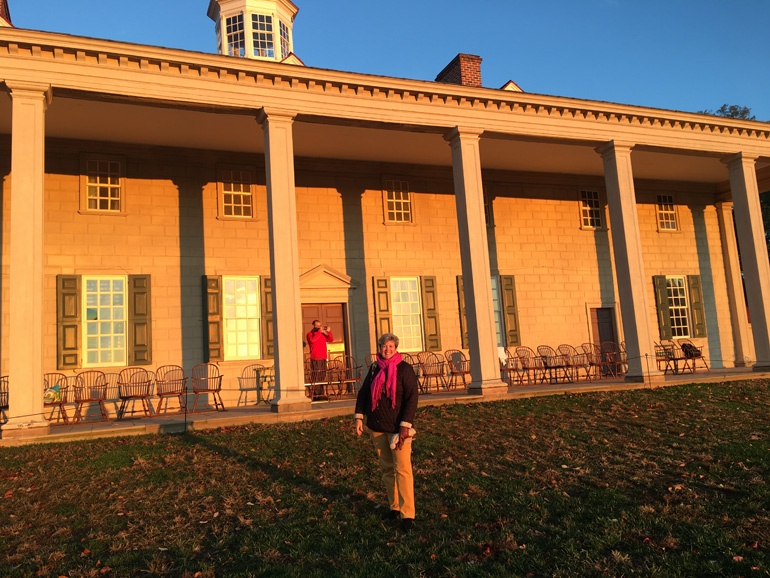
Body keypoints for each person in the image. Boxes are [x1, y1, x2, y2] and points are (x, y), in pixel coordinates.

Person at [355, 333, 419, 531]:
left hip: (398, 430)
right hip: (377, 428)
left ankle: (408, 514)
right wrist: (359, 417)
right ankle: (395, 507)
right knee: (387, 469)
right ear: (380, 347)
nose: (387, 349)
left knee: (403, 470)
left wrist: (405, 426)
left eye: (391, 346)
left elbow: (412, 398)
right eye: (384, 346)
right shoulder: (375, 368)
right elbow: (364, 393)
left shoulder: (405, 369)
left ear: (396, 348)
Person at [306, 320, 334, 398]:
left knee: (322, 376)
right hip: (315, 359)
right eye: (317, 326)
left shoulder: (321, 334)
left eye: (320, 325)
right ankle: (316, 395)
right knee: (316, 377)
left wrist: (329, 331)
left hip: (323, 358)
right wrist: (319, 332)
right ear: (313, 326)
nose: (318, 327)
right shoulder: (309, 334)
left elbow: (331, 339)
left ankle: (322, 394)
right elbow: (313, 341)